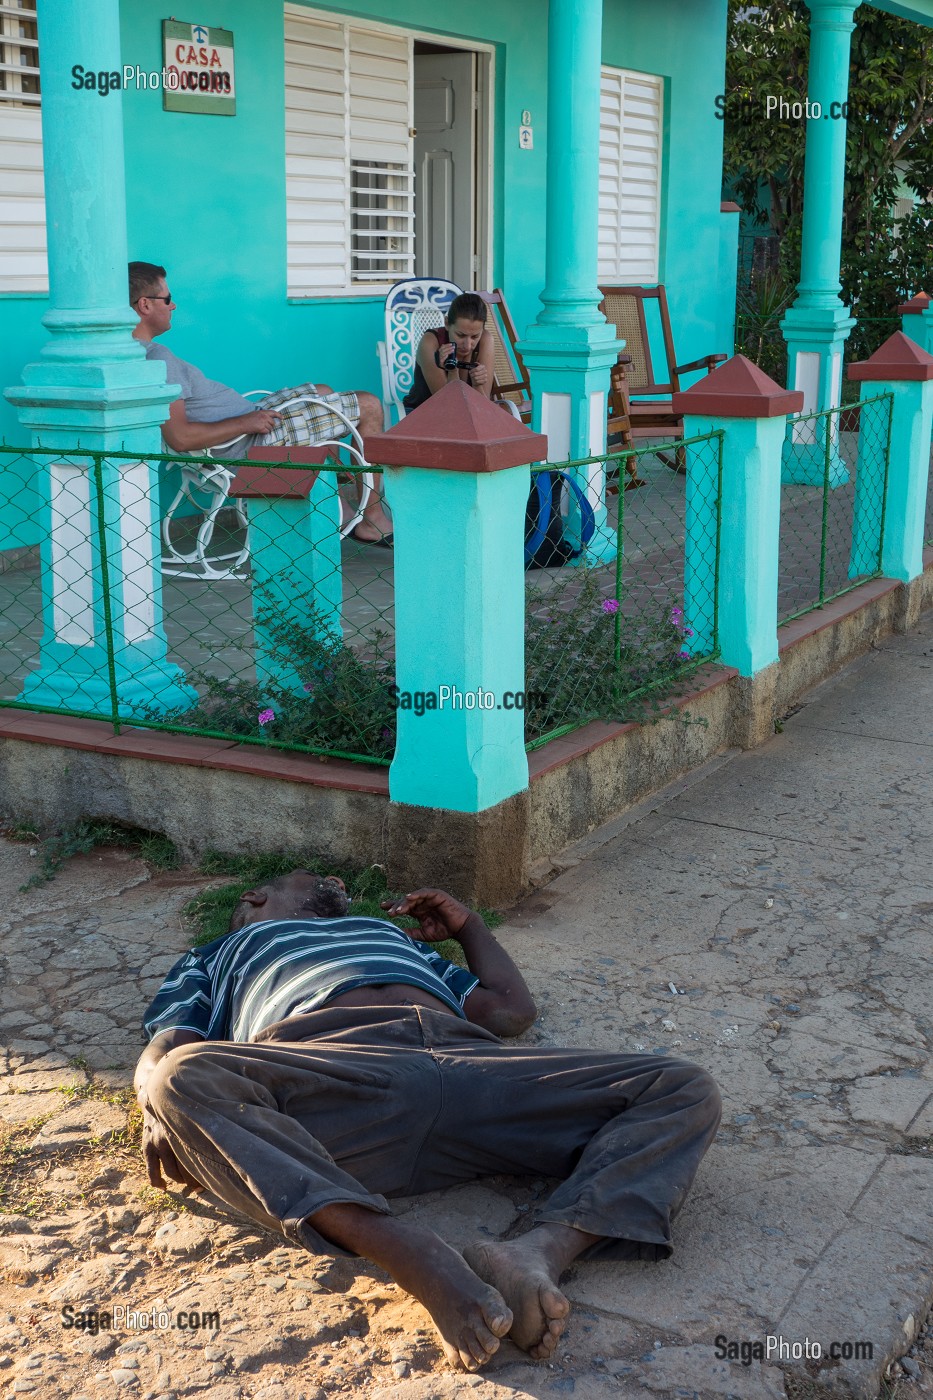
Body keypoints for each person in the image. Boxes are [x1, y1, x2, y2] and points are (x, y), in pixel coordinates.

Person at [135, 870, 721, 1372]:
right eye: (315, 878)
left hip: (472, 1069)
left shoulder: (389, 934)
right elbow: (168, 1045)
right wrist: (157, 1106)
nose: (337, 884)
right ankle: (409, 1252)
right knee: (181, 1077)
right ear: (258, 899)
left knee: (681, 1086)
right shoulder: (216, 953)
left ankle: (539, 1252)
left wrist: (469, 928)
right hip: (336, 1081)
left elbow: (510, 1012)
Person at [128, 261, 393, 547]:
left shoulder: (131, 353)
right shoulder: (159, 359)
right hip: (250, 440)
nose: (174, 306)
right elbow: (180, 437)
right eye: (167, 299)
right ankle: (371, 518)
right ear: (144, 305)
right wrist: (245, 423)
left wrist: (247, 418)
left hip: (249, 419)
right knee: (368, 405)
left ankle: (336, 488)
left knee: (324, 392)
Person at [403, 291, 496, 412]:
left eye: (474, 337)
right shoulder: (430, 342)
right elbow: (449, 406)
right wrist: (452, 373)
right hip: (422, 412)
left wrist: (477, 385)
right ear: (447, 323)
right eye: (460, 335)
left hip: (469, 415)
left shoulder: (486, 340)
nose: (467, 345)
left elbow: (483, 407)